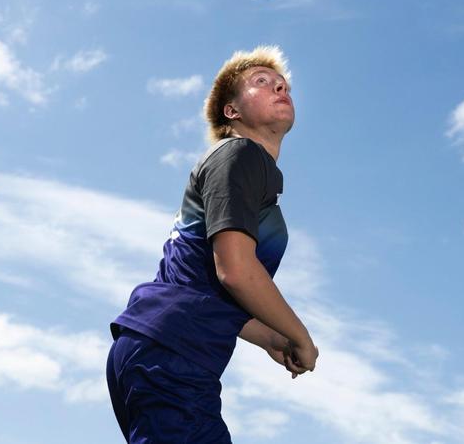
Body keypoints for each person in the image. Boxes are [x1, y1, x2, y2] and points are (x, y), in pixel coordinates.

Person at [106, 45, 318, 443]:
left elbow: (208, 286)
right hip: (171, 355)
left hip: (162, 349)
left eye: (282, 84)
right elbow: (236, 272)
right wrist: (301, 336)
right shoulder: (239, 154)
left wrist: (273, 337)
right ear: (231, 112)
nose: (279, 87)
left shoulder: (249, 172)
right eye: (261, 82)